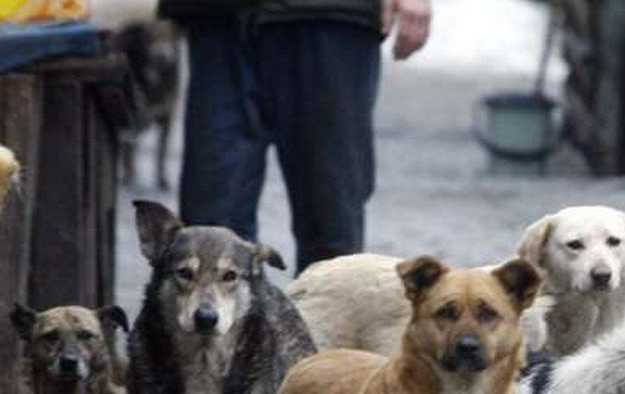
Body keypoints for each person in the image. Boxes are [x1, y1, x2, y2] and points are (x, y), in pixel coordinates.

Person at [158, 0, 432, 271]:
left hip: (332, 19)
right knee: (208, 234)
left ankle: (324, 315)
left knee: (331, 233)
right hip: (219, 18)